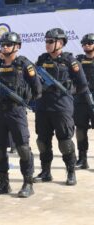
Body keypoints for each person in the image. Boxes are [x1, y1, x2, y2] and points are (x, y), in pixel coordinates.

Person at [0, 32, 42, 198]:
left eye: (8, 44)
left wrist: (23, 99)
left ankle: (28, 183)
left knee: (23, 148)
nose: (5, 47)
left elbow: (37, 89)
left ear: (17, 46)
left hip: (16, 111)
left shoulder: (25, 65)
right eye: (3, 44)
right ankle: (4, 183)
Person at [34, 28, 88, 185]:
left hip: (62, 107)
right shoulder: (42, 59)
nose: (47, 44)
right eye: (46, 41)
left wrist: (67, 91)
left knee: (65, 141)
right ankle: (45, 172)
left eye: (51, 41)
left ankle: (71, 171)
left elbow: (82, 85)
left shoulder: (70, 61)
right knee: (42, 141)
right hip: (43, 106)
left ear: (61, 43)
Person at [74, 33, 94, 169]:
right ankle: (82, 159)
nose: (87, 45)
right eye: (84, 43)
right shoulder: (78, 60)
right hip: (81, 100)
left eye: (90, 43)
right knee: (80, 130)